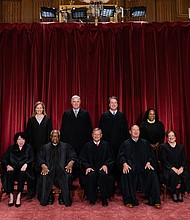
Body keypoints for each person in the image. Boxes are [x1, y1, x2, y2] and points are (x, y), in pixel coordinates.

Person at [117, 124, 161, 209]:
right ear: (130, 132)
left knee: (152, 174)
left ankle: (155, 200)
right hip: (131, 168)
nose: (136, 132)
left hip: (143, 168)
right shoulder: (125, 144)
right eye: (134, 130)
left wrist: (148, 162)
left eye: (137, 130)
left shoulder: (145, 143)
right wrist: (124, 164)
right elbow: (121, 156)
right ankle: (129, 200)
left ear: (140, 132)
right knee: (126, 174)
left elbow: (151, 156)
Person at [36, 130, 77, 207]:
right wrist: (43, 165)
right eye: (53, 136)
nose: (55, 138)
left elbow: (73, 156)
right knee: (44, 176)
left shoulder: (66, 146)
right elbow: (40, 158)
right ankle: (48, 197)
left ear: (59, 137)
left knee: (67, 176)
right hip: (49, 169)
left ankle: (64, 197)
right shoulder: (45, 147)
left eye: (57, 136)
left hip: (62, 170)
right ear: (50, 137)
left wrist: (71, 163)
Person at [79, 128, 114, 206]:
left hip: (102, 168)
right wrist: (87, 167)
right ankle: (92, 198)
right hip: (91, 168)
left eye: (98, 134)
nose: (96, 136)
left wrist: (106, 165)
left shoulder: (106, 145)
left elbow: (111, 158)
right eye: (95, 134)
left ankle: (104, 198)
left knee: (103, 175)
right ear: (92, 135)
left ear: (101, 135)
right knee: (91, 175)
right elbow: (82, 159)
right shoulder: (87, 146)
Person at [99, 96, 128, 185]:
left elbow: (125, 131)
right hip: (108, 144)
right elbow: (101, 131)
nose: (113, 104)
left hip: (120, 144)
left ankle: (120, 182)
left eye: (115, 103)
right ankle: (110, 183)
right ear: (109, 104)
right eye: (112, 103)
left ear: (118, 104)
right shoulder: (104, 116)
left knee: (120, 162)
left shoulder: (122, 116)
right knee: (109, 162)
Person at [1, 132, 35, 207]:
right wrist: (7, 166)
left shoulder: (28, 147)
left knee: (22, 174)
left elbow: (32, 158)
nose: (21, 141)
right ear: (16, 141)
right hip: (13, 167)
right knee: (9, 173)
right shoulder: (11, 147)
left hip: (23, 169)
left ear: (25, 140)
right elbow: (4, 159)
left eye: (23, 139)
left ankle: (19, 195)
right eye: (19, 139)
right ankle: (11, 195)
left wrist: (26, 164)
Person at [160, 130, 190, 202]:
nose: (171, 137)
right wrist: (173, 168)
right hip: (169, 168)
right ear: (167, 138)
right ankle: (174, 192)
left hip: (180, 167)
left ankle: (180, 191)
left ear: (175, 137)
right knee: (173, 174)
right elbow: (164, 160)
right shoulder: (163, 146)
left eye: (172, 135)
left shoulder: (180, 146)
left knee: (186, 174)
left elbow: (184, 159)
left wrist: (182, 168)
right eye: (169, 136)